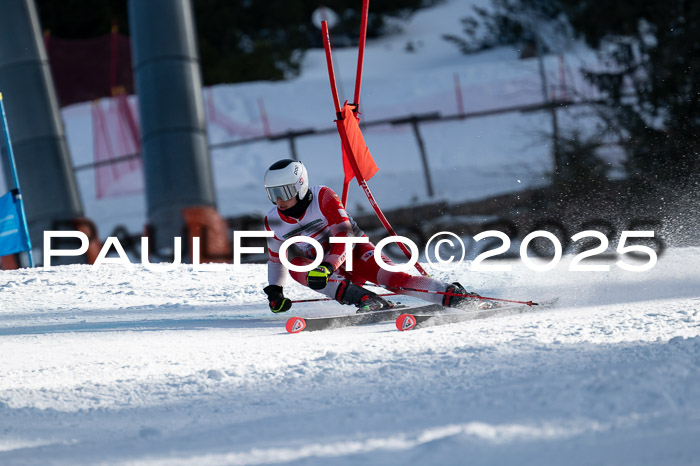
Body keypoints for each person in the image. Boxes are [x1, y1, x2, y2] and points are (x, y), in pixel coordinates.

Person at [261, 159, 477, 314]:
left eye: (285, 191)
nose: (279, 200)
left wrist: (327, 266)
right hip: (325, 268)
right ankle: (366, 299)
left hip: (354, 253)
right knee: (295, 264)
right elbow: (275, 259)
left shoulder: (323, 197)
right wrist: (275, 292)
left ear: (301, 185)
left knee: (395, 281)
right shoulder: (273, 220)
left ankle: (452, 295)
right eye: (273, 193)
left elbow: (344, 238)